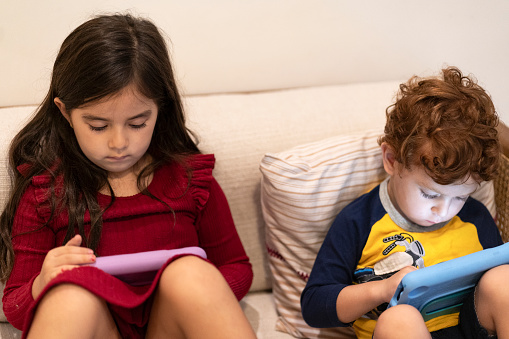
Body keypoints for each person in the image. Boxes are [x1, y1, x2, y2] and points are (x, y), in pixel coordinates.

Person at [0, 14, 256, 339]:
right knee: (70, 296)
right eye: (98, 126)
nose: (118, 143)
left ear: (159, 109)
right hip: (94, 328)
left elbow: (237, 267)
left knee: (191, 274)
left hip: (170, 327)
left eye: (137, 124)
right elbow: (15, 307)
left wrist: (193, 286)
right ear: (65, 113)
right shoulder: (45, 192)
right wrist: (43, 281)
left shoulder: (191, 179)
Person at [301, 66, 509, 339]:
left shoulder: (475, 217)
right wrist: (382, 290)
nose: (443, 210)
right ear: (391, 160)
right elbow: (315, 305)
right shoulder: (360, 220)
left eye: (460, 197)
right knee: (400, 318)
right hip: (401, 331)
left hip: (470, 327)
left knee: (502, 281)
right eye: (430, 194)